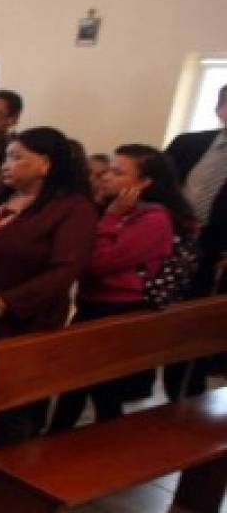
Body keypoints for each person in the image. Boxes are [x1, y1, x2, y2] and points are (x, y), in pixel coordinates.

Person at [51, 145, 198, 428]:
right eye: (108, 170)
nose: (106, 177)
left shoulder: (154, 218)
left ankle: (88, 446)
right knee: (78, 383)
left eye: (118, 172)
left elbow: (96, 262)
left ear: (144, 183)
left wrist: (112, 217)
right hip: (95, 302)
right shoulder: (113, 207)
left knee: (101, 387)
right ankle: (57, 434)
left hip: (120, 308)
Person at [0, 126, 97, 442]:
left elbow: (64, 271)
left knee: (11, 414)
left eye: (16, 158)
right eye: (5, 157)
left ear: (46, 164)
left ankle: (4, 479)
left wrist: (1, 303)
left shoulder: (72, 209)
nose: (4, 165)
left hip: (25, 324)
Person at [164, 83, 227, 398]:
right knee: (154, 324)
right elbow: (160, 185)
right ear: (220, 110)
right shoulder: (188, 144)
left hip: (216, 255)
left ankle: (187, 396)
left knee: (196, 333)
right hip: (170, 245)